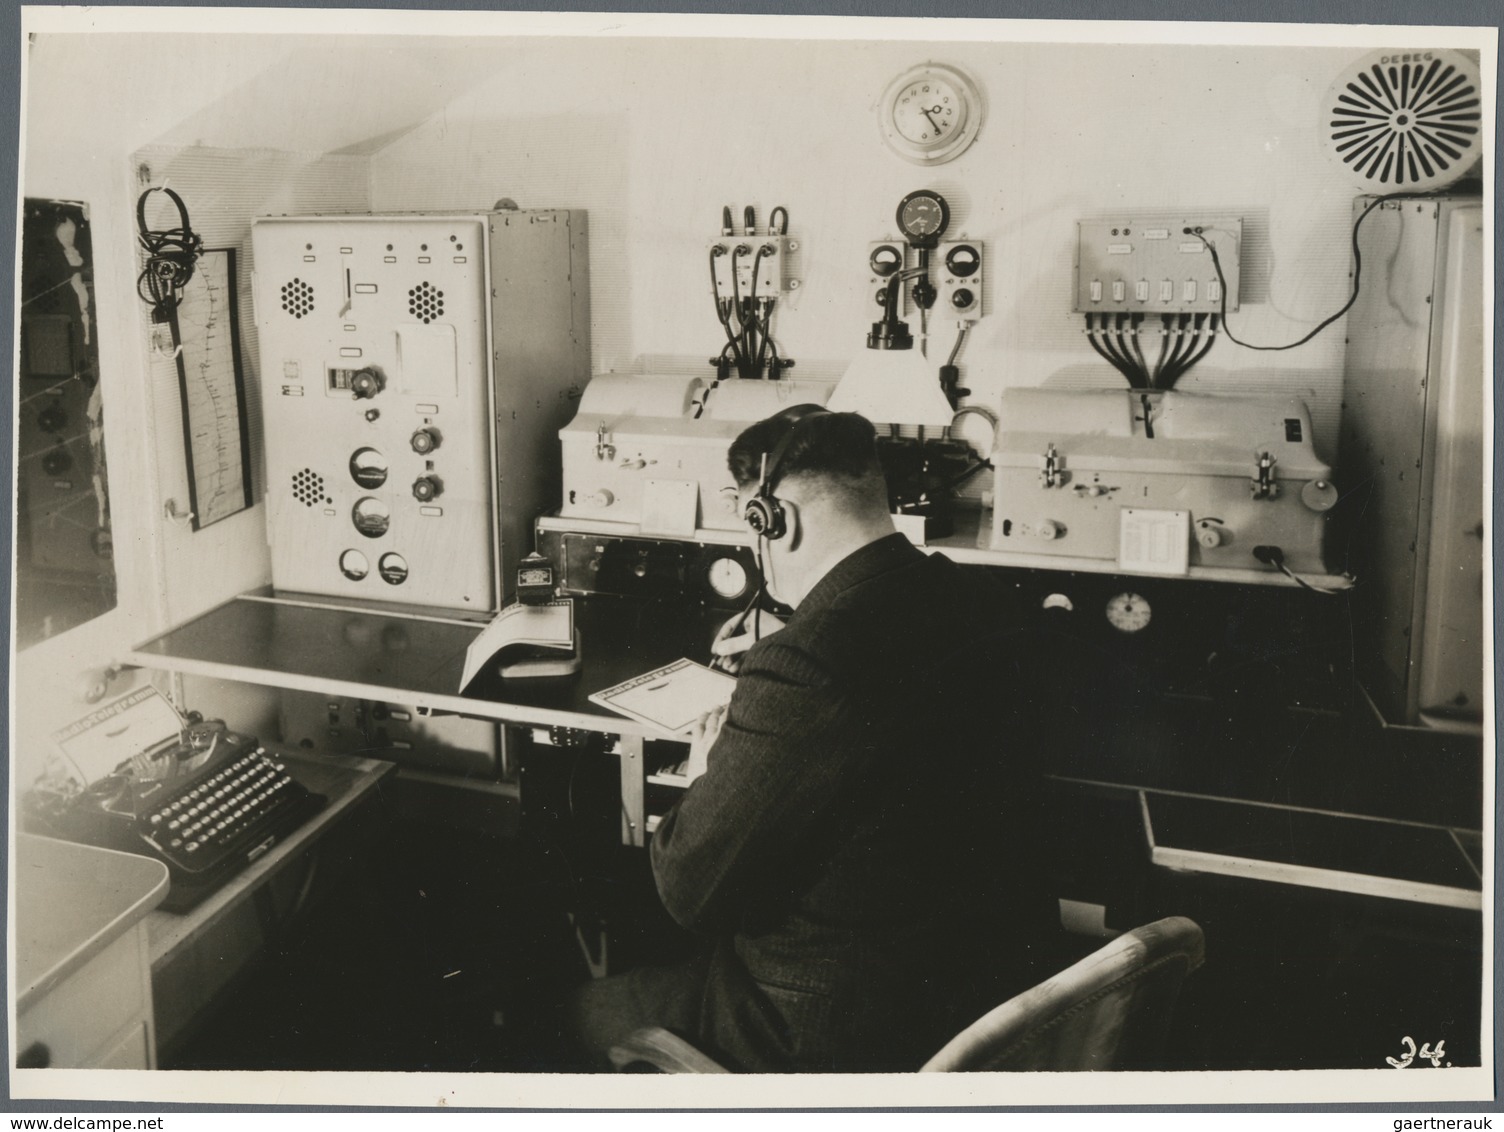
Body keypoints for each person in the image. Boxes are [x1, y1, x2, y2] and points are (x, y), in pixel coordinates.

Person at [567, 405, 1057, 1072]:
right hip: (979, 999)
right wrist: (790, 657)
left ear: (776, 521)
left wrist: (708, 770)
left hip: (820, 1032)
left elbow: (689, 894)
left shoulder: (806, 667)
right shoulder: (983, 600)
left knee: (577, 1013)